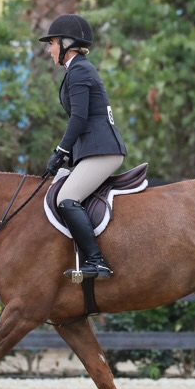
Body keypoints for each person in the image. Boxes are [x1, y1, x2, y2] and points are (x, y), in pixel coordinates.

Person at [39, 14, 127, 279]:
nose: (50, 49)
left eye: (52, 43)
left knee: (66, 198)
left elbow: (79, 118)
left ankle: (97, 262)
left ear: (66, 44)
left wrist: (60, 151)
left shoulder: (79, 71)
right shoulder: (77, 70)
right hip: (93, 149)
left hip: (102, 150)